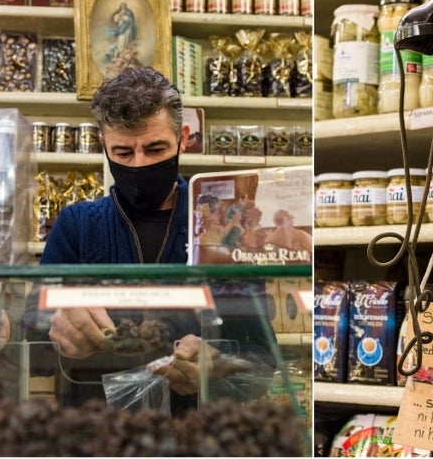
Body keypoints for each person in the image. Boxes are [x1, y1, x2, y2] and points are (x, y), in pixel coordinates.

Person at [22, 67, 276, 412]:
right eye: (124, 153)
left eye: (156, 149)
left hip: (198, 436)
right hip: (98, 434)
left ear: (183, 138)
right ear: (103, 144)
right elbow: (31, 337)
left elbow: (261, 358)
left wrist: (219, 365)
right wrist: (56, 330)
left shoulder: (224, 227)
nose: (139, 165)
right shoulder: (76, 226)